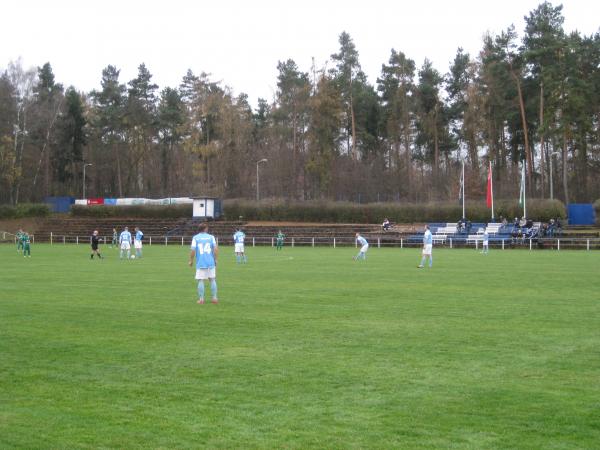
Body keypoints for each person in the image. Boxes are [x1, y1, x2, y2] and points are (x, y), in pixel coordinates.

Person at [189, 222, 218, 304]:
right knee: (212, 279)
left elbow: (193, 250)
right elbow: (215, 249)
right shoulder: (211, 237)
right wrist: (215, 259)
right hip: (210, 262)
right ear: (205, 229)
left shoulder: (195, 238)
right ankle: (214, 298)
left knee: (200, 280)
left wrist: (191, 260)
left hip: (201, 262)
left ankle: (201, 299)